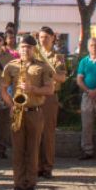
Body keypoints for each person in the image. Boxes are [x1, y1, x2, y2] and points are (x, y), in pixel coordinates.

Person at [2, 35, 56, 190]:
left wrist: (32, 89)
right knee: (18, 151)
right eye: (23, 47)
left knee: (33, 150)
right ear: (19, 48)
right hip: (17, 112)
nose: (25, 50)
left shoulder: (42, 67)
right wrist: (11, 105)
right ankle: (18, 185)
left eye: (29, 47)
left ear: (34, 49)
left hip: (35, 112)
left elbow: (50, 90)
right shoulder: (11, 66)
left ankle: (30, 185)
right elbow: (3, 88)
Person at [36, 26, 67, 179]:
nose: (43, 40)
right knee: (35, 132)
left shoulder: (57, 57)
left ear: (53, 38)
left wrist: (48, 72)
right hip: (34, 95)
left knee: (47, 133)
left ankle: (47, 167)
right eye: (41, 37)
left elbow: (62, 78)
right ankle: (36, 166)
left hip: (49, 97)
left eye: (46, 37)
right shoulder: (33, 54)